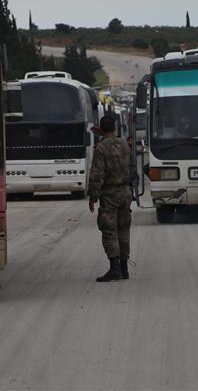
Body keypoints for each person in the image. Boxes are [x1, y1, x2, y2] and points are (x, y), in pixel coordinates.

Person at [88, 116, 133, 282]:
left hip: (110, 195)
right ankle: (124, 268)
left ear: (100, 128)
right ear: (115, 127)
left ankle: (114, 269)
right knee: (124, 229)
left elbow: (97, 175)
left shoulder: (101, 148)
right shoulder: (124, 144)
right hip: (125, 193)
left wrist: (93, 197)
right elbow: (131, 167)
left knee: (109, 230)